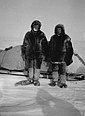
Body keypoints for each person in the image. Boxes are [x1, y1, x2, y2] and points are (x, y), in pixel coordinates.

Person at [21, 20, 48, 86]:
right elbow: (24, 44)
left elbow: (45, 45)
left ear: (39, 26)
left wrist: (44, 54)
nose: (36, 26)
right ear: (32, 26)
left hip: (38, 54)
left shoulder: (42, 34)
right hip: (29, 53)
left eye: (37, 25)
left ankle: (36, 80)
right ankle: (30, 79)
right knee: (30, 67)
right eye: (35, 25)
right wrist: (24, 53)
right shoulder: (28, 34)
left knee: (37, 67)